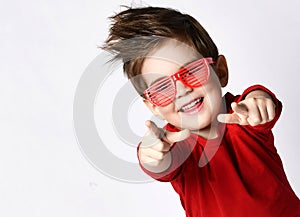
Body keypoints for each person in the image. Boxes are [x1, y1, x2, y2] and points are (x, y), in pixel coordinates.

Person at [102, 6, 300, 217]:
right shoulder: (174, 147)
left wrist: (259, 99)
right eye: (161, 88)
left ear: (221, 72)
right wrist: (150, 153)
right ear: (153, 107)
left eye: (192, 71)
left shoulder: (242, 116)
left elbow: (258, 103)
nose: (182, 89)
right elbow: (160, 164)